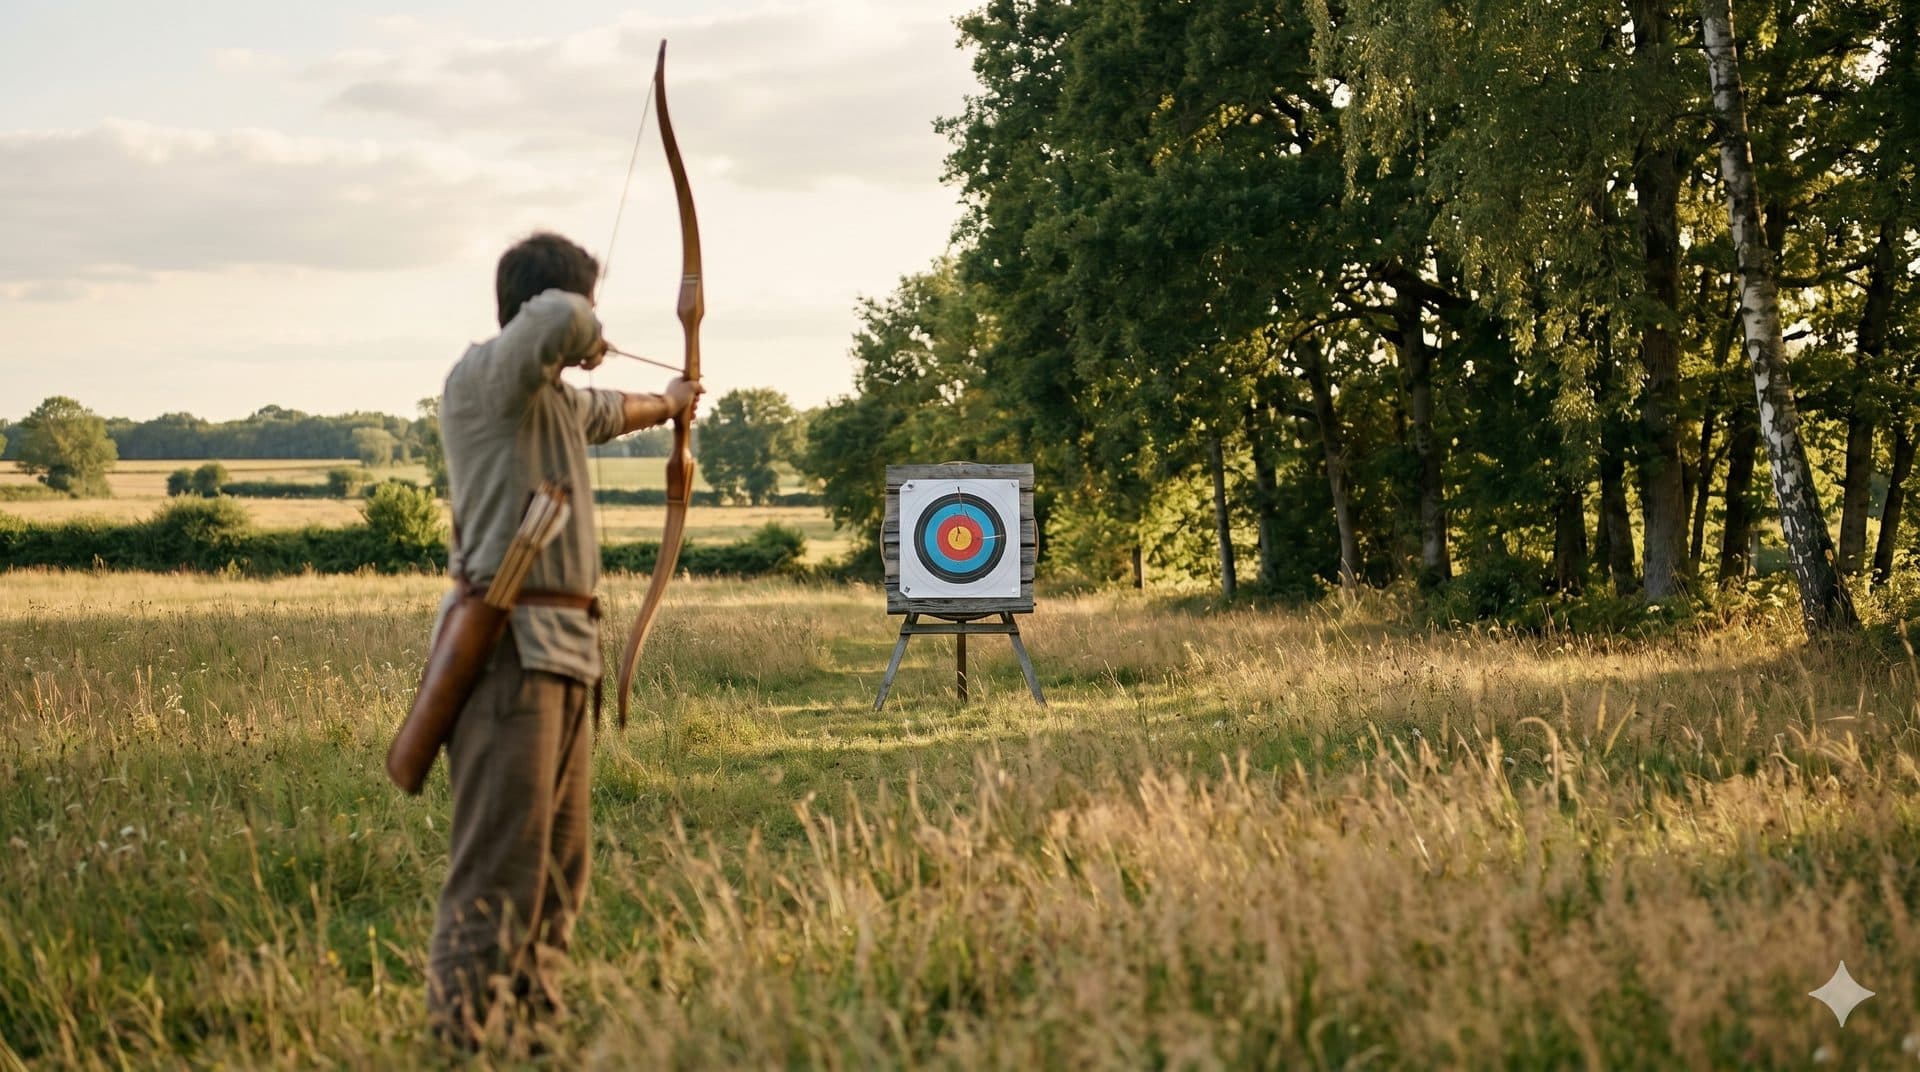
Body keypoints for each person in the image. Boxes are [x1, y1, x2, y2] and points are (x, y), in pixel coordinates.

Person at [426, 231, 700, 1048]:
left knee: (558, 867)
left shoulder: (544, 399)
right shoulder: (488, 377)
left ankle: (533, 1029)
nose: (591, 322)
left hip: (566, 653)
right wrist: (592, 329)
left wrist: (676, 400)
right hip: (507, 649)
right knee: (498, 866)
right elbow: (558, 318)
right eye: (589, 302)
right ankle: (465, 1039)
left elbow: (619, 410)